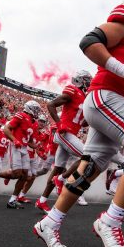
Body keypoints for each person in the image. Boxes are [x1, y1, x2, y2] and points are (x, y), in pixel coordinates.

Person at [34, 0, 124, 247]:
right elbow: (89, 41)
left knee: (90, 167)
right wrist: (118, 67)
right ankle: (110, 221)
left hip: (113, 100)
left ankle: (50, 221)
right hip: (105, 97)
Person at [35, 71, 92, 213]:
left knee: (58, 168)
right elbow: (51, 104)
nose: (89, 82)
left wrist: (89, 119)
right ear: (80, 80)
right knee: (87, 157)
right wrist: (59, 124)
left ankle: (42, 201)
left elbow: (81, 122)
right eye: (87, 80)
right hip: (65, 133)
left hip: (70, 135)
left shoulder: (84, 97)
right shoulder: (73, 91)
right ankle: (61, 179)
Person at [0, 100, 41, 209]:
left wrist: (36, 147)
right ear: (29, 108)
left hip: (24, 148)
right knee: (16, 174)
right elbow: (6, 129)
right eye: (36, 109)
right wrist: (15, 140)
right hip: (15, 147)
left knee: (25, 175)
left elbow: (29, 141)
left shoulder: (34, 123)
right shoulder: (21, 115)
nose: (37, 112)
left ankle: (12, 200)